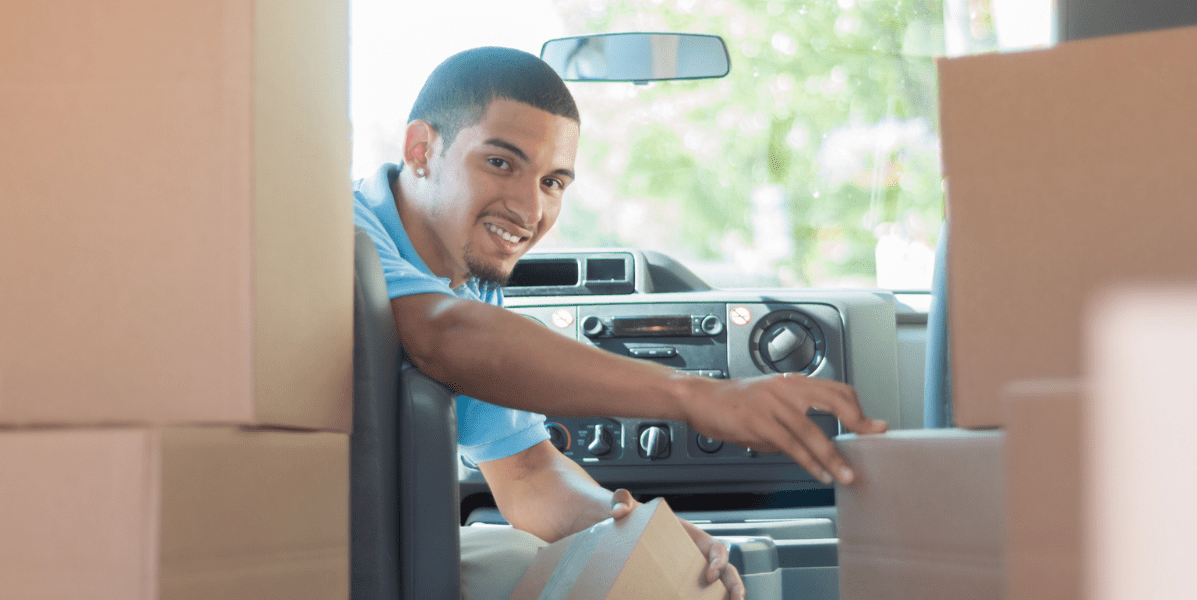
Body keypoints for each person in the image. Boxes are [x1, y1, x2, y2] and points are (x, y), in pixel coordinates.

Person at [352, 46, 888, 600]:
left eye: (552, 183)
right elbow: (443, 335)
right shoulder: (343, 233)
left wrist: (642, 535)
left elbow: (526, 473)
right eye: (501, 164)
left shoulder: (470, 285)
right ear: (421, 150)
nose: (530, 211)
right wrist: (696, 395)